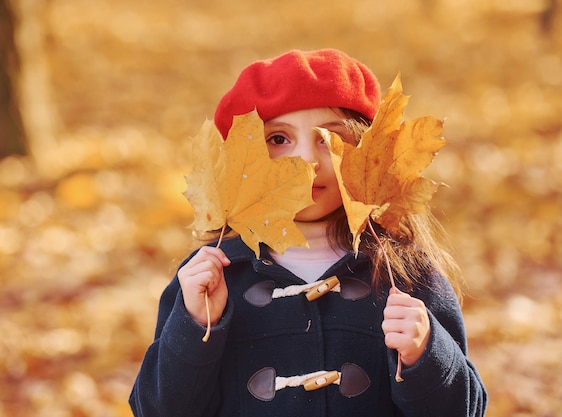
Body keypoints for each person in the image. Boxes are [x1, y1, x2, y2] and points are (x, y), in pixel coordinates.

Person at [129, 48, 487, 417]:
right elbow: (156, 409)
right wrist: (195, 326)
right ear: (238, 164)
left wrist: (427, 353)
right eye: (278, 140)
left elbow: (465, 410)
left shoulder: (405, 275)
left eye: (330, 138)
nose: (308, 161)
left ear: (370, 153)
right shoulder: (212, 278)